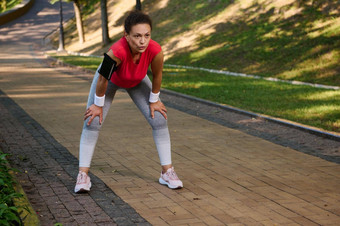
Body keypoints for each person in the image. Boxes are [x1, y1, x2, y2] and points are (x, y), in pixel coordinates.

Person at [74, 10, 183, 193]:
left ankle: (167, 172)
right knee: (91, 121)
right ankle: (83, 176)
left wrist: (154, 100)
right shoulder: (115, 52)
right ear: (126, 35)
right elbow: (102, 80)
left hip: (137, 81)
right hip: (109, 82)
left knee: (159, 119)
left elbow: (157, 75)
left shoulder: (155, 50)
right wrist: (98, 104)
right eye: (137, 36)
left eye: (147, 35)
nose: (142, 41)